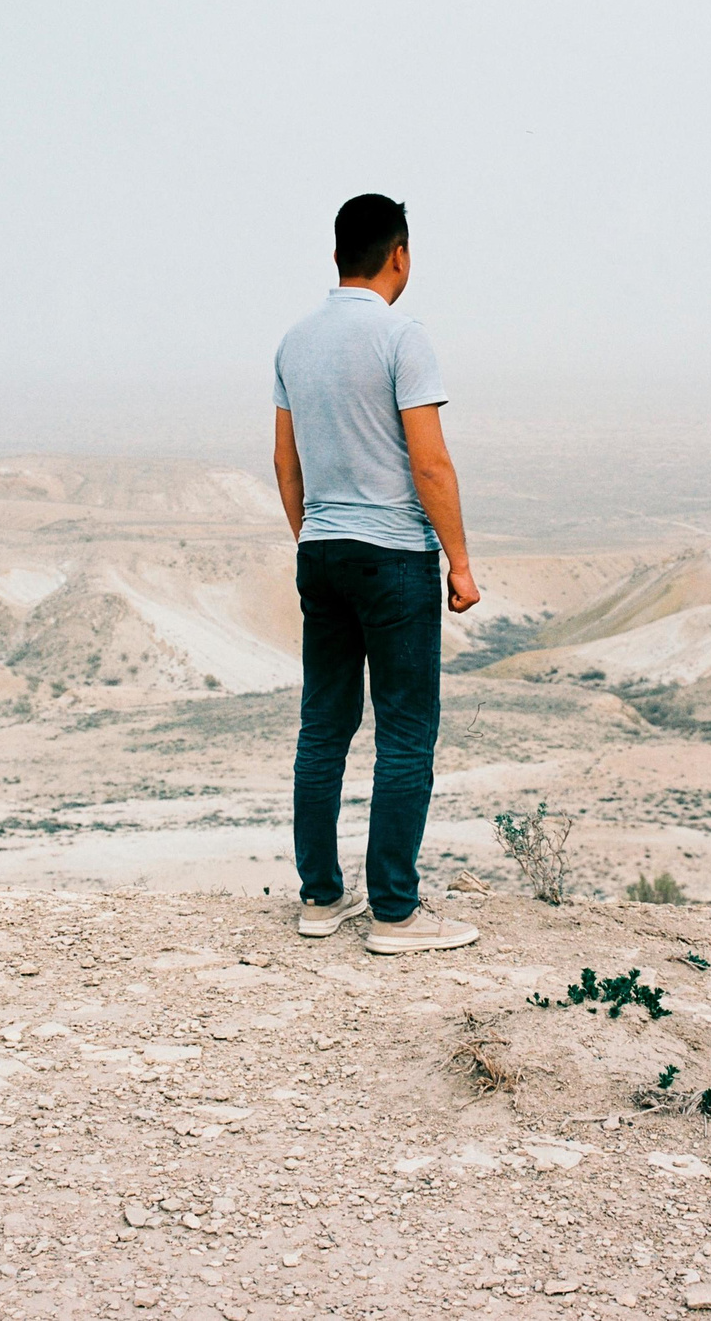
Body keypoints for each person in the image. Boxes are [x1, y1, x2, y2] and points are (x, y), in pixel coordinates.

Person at [271, 195, 482, 954]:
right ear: (399, 255)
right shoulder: (403, 337)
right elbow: (429, 461)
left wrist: (314, 541)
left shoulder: (295, 342)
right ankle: (395, 909)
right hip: (394, 555)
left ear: (336, 256)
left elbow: (284, 463)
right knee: (404, 731)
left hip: (321, 551)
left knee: (322, 727)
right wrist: (459, 561)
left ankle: (322, 896)